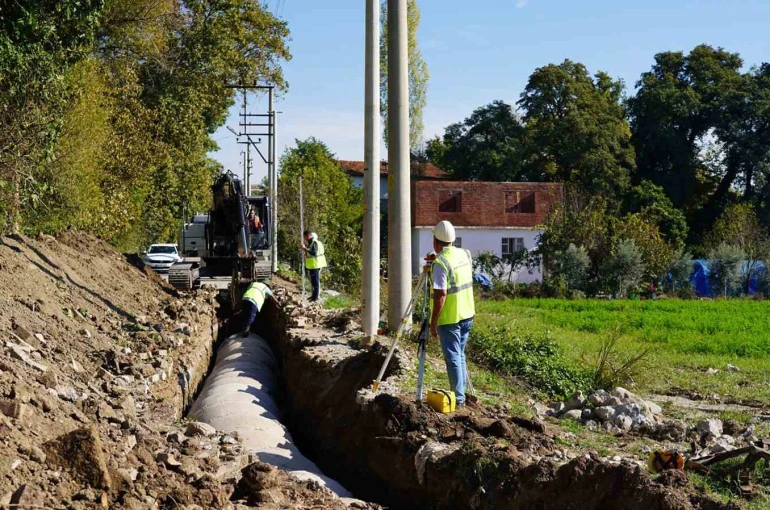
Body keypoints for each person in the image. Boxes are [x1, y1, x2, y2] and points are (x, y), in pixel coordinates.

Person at [429, 220, 475, 408]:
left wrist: (433, 322)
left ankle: (459, 399)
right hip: (467, 313)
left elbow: (441, 294)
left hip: (450, 318)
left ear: (435, 241)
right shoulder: (464, 254)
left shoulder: (440, 263)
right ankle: (461, 393)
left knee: (453, 357)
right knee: (460, 355)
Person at [301, 230, 326, 302]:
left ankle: (315, 298)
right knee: (313, 282)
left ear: (308, 235)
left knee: (316, 282)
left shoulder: (314, 242)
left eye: (305, 237)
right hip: (312, 265)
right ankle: (313, 297)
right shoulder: (311, 243)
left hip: (316, 265)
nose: (305, 239)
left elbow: (313, 252)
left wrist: (305, 248)